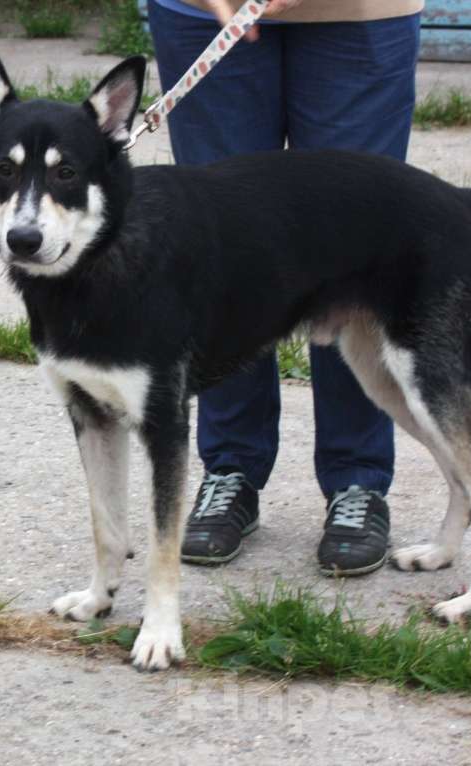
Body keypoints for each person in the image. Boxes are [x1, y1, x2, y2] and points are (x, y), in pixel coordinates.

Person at [146, 0, 423, 576]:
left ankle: (357, 480)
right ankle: (231, 468)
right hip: (201, 12)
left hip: (362, 13)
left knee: (356, 241)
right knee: (223, 240)